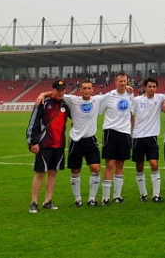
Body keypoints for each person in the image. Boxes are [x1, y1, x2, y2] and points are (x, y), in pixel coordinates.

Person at [35, 78, 112, 207]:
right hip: (76, 141)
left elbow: (115, 92)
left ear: (92, 90)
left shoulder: (97, 100)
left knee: (96, 168)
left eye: (89, 88)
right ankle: (77, 200)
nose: (87, 90)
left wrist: (126, 88)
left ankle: (92, 199)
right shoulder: (73, 100)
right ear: (80, 90)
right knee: (75, 170)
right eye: (84, 88)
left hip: (91, 140)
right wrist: (43, 94)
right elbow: (56, 93)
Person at [26, 79, 70, 213]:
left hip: (59, 145)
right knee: (40, 173)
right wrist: (33, 142)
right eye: (58, 90)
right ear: (53, 90)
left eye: (63, 90)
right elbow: (33, 123)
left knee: (53, 173)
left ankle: (48, 201)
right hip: (44, 144)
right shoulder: (43, 103)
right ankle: (34, 202)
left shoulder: (65, 105)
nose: (61, 92)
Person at [99, 71, 134, 205]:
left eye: (125, 81)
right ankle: (105, 197)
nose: (123, 83)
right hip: (111, 132)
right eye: (120, 81)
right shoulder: (109, 96)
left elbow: (132, 114)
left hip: (125, 133)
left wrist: (132, 131)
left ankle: (117, 196)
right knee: (110, 164)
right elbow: (100, 111)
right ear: (115, 82)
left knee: (120, 164)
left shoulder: (130, 95)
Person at [130, 77, 165, 203]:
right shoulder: (137, 100)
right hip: (138, 137)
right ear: (145, 87)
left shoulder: (160, 98)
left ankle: (156, 194)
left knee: (154, 164)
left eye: (154, 87)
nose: (152, 89)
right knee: (139, 165)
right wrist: (132, 130)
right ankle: (143, 194)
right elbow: (131, 115)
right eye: (149, 86)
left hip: (152, 137)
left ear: (156, 88)